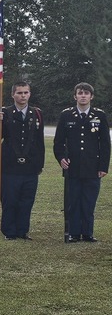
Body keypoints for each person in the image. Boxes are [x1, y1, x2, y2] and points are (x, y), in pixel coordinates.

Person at [53, 82, 111, 243]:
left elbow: (105, 143)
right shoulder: (66, 115)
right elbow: (59, 141)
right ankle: (73, 233)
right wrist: (61, 158)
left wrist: (103, 166)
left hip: (93, 167)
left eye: (86, 93)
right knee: (73, 201)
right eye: (80, 93)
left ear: (91, 96)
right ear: (75, 96)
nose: (83, 96)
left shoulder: (99, 115)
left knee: (89, 201)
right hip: (72, 167)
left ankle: (87, 233)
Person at [0, 81, 45, 240]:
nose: (23, 96)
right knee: (10, 200)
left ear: (30, 94)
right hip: (9, 165)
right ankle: (9, 232)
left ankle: (23, 231)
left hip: (30, 165)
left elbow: (39, 141)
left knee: (27, 200)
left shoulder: (37, 113)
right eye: (19, 93)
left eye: (26, 92)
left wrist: (39, 164)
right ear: (13, 94)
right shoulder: (5, 112)